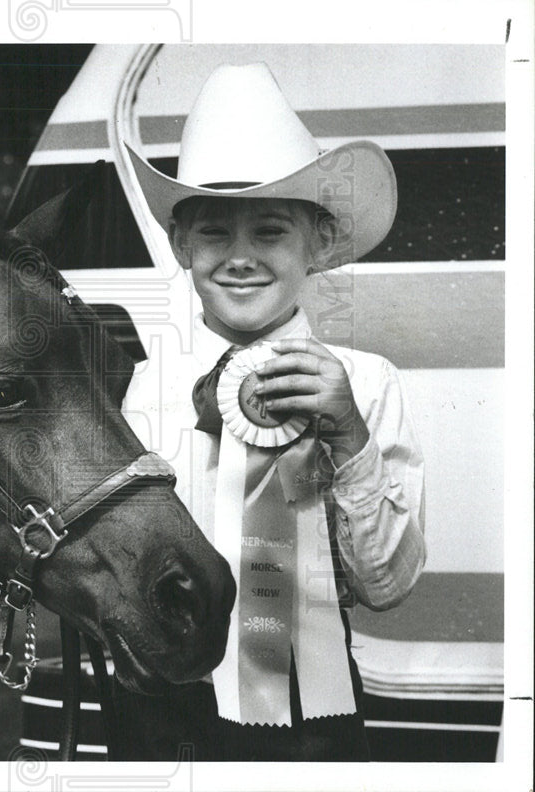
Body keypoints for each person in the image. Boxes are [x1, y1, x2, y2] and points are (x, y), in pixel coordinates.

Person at [116, 62, 426, 761]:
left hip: (310, 710)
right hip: (156, 712)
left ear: (317, 245)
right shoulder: (134, 391)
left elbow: (389, 583)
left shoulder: (368, 387)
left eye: (272, 232)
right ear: (181, 246)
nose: (242, 258)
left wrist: (349, 438)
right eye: (216, 232)